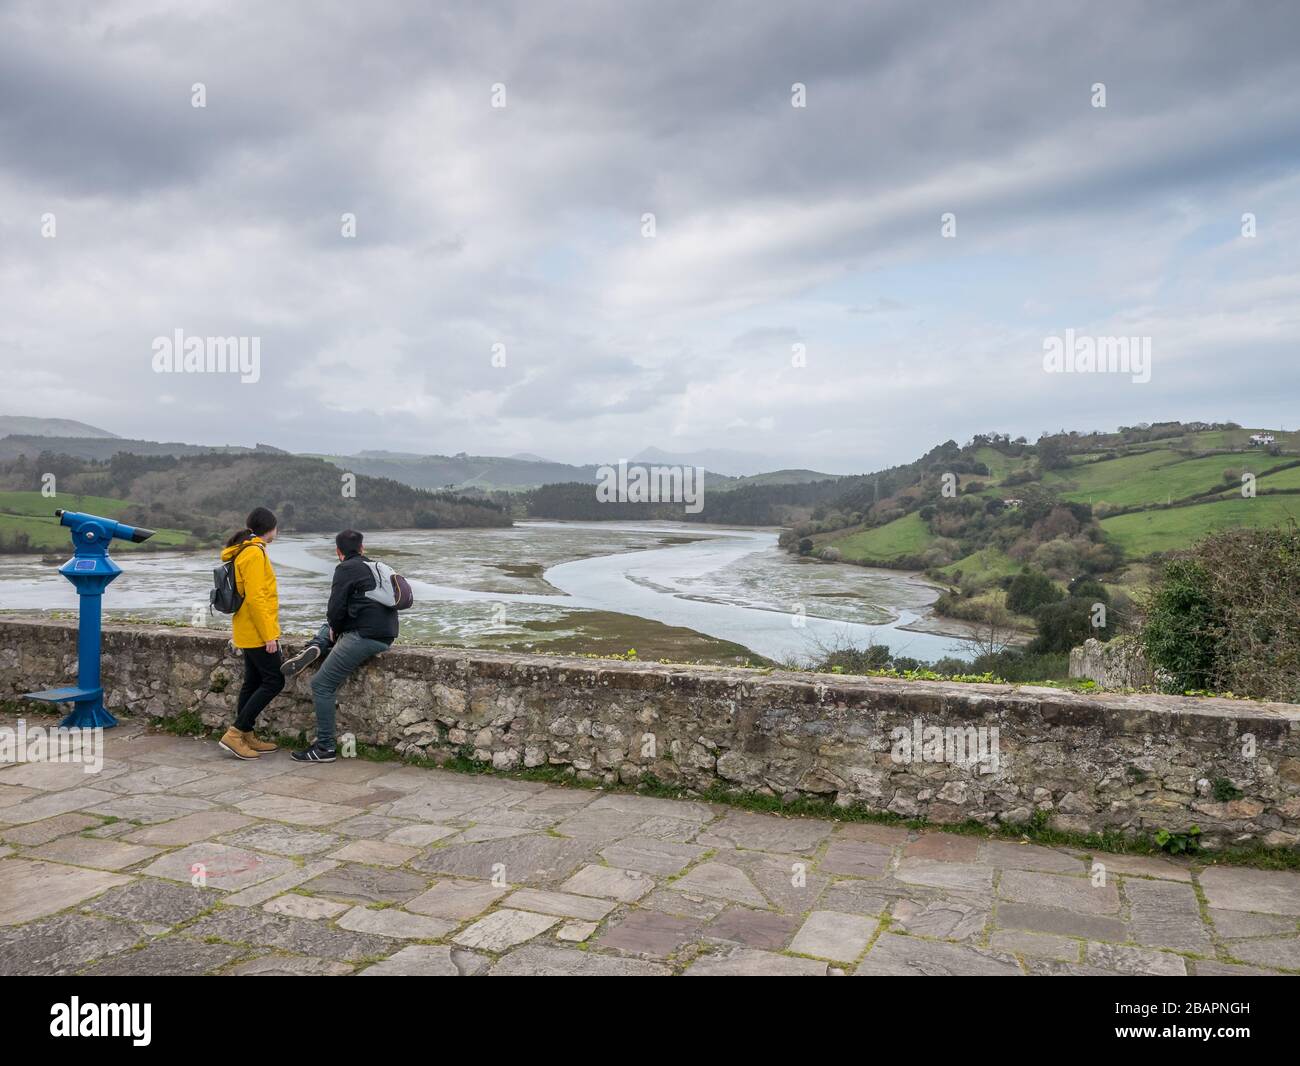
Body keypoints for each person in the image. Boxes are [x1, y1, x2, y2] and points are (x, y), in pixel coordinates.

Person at [282, 528, 397, 763]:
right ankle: (318, 643)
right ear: (363, 548)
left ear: (338, 552)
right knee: (328, 629)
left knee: (322, 684)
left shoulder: (344, 569)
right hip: (387, 632)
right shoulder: (376, 567)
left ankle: (325, 747)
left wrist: (335, 627)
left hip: (364, 636)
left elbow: (335, 609)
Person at [218, 506, 284, 760]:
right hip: (257, 630)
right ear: (271, 528)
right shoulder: (255, 553)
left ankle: (246, 734)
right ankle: (235, 734)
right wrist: (270, 635)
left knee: (253, 681)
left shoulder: (244, 550)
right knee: (274, 681)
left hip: (245, 627)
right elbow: (257, 598)